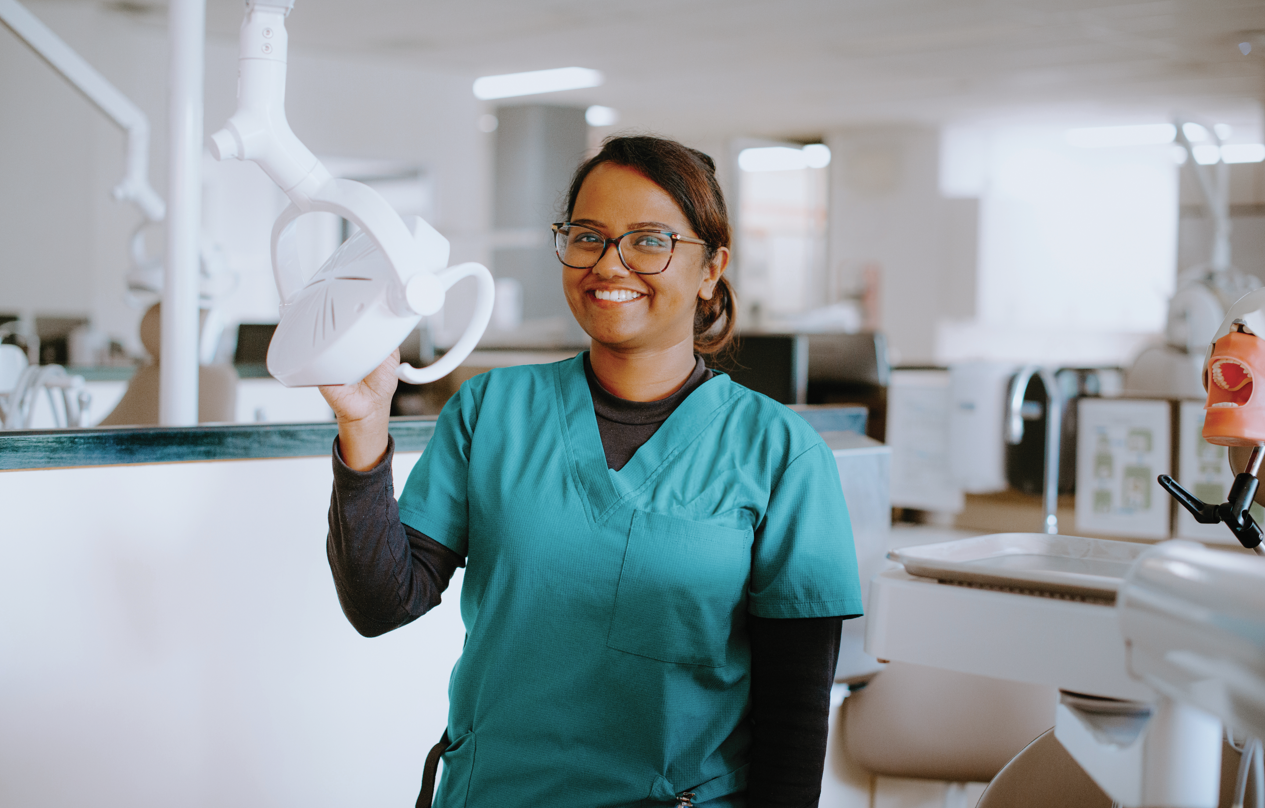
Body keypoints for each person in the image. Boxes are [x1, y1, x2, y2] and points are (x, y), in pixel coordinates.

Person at [322, 135, 863, 807]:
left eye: (648, 240)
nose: (610, 264)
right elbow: (382, 605)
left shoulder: (778, 452)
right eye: (587, 236)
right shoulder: (493, 410)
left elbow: (794, 719)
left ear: (709, 268)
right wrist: (363, 427)